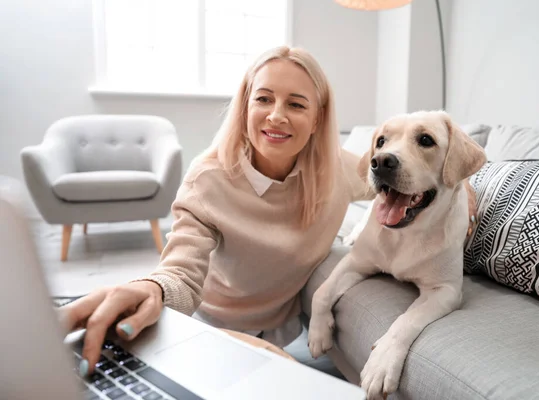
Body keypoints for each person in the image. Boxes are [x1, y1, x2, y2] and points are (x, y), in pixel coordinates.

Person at [60, 45, 476, 378]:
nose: (276, 115)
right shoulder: (207, 179)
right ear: (245, 107)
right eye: (264, 98)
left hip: (281, 332)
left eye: (296, 104)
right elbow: (181, 272)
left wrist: (468, 192)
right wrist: (152, 288)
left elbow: (410, 176)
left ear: (316, 119)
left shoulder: (337, 170)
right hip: (208, 330)